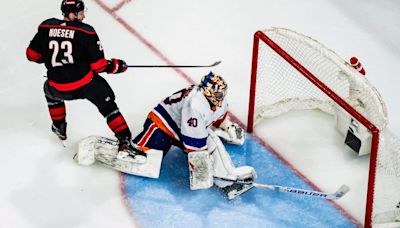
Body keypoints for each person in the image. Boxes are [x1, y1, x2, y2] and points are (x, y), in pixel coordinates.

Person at [26, 0, 144, 161]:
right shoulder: (86, 32)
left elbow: (32, 56)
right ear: (71, 14)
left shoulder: (46, 27)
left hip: (58, 87)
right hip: (85, 84)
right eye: (80, 13)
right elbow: (99, 66)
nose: (83, 16)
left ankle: (59, 127)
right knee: (109, 107)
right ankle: (125, 141)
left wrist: (47, 55)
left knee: (49, 91)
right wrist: (115, 66)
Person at [132, 72, 257, 199]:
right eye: (218, 94)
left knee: (212, 142)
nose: (221, 96)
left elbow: (219, 115)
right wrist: (202, 165)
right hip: (162, 124)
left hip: (183, 126)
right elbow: (193, 143)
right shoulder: (195, 104)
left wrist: (225, 126)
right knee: (147, 157)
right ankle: (131, 149)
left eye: (222, 93)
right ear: (208, 92)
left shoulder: (218, 100)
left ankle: (227, 181)